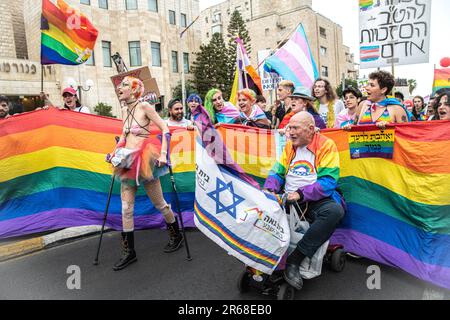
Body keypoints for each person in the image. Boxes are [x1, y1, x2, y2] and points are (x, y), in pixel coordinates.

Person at [108, 76, 183, 271]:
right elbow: (124, 136)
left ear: (134, 90)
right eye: (120, 84)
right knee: (126, 208)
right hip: (127, 162)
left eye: (124, 85)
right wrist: (114, 152)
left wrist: (164, 154)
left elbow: (166, 129)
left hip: (145, 162)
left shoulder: (145, 107)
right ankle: (129, 251)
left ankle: (176, 234)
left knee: (160, 204)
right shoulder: (124, 109)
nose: (119, 87)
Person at [263, 111, 345, 290]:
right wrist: (269, 188)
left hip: (315, 200)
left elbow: (328, 181)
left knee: (335, 212)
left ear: (310, 130)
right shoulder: (290, 146)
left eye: (294, 128)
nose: (289, 132)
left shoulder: (326, 145)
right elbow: (277, 172)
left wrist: (301, 193)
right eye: (289, 128)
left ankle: (295, 260)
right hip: (288, 197)